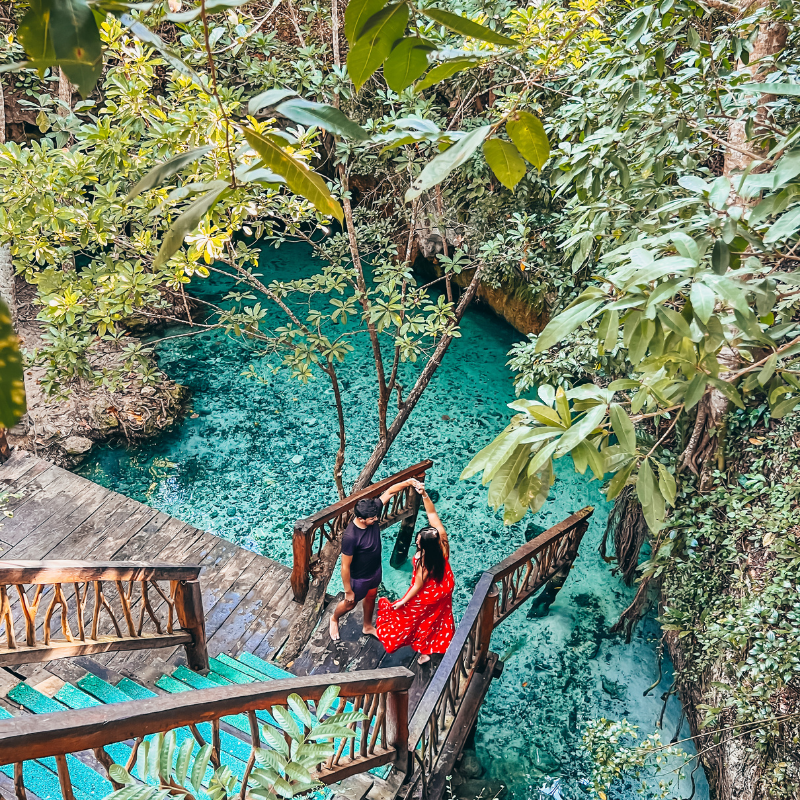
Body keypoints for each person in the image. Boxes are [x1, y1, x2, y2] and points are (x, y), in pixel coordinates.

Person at [329, 478, 419, 641]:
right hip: (359, 577)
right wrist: (348, 590)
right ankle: (334, 618)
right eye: (372, 519)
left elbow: (391, 491)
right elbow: (344, 566)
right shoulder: (351, 536)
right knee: (350, 604)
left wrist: (410, 482)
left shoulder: (372, 510)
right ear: (362, 519)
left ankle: (367, 626)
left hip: (375, 570)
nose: (376, 519)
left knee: (371, 597)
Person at [376, 478, 454, 664]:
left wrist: (402, 602)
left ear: (425, 546)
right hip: (445, 585)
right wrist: (424, 495)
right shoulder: (442, 542)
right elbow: (432, 514)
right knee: (440, 616)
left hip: (429, 594)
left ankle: (425, 650)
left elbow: (417, 586)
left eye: (419, 541)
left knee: (417, 619)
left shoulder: (422, 562)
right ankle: (440, 642)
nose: (416, 541)